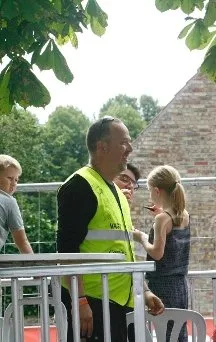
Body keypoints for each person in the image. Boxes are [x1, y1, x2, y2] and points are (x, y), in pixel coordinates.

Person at [57, 116, 164, 342]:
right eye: (124, 142)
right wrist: (80, 301)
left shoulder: (116, 192)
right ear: (102, 147)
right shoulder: (79, 186)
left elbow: (124, 249)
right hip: (93, 304)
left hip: (117, 303)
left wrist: (144, 290)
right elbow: (67, 250)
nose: (131, 148)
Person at [132, 165, 190, 342]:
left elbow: (157, 253)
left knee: (164, 333)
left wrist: (141, 237)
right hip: (180, 285)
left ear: (157, 191)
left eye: (150, 191)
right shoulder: (184, 214)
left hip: (162, 286)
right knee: (178, 333)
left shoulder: (162, 218)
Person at [0, 154, 33, 253]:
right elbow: (22, 242)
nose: (14, 183)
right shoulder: (8, 201)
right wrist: (36, 265)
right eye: (10, 178)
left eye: (16, 180)